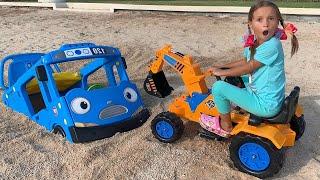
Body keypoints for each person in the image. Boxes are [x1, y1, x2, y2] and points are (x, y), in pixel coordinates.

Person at [200, 0, 299, 137]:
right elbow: (245, 61)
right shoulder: (254, 42)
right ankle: (234, 104)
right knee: (233, 77)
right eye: (259, 19)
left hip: (265, 105)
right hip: (262, 94)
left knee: (218, 87)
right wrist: (222, 66)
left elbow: (249, 67)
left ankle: (225, 126)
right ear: (250, 23)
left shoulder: (272, 45)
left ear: (278, 22)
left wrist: (221, 72)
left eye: (271, 19)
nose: (266, 23)